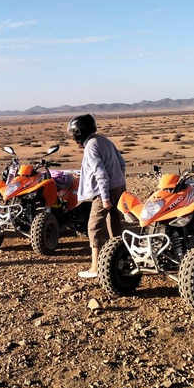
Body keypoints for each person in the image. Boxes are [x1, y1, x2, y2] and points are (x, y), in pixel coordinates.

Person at [68, 114, 126, 279]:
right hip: (118, 187)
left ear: (79, 133)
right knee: (115, 224)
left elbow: (101, 174)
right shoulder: (104, 140)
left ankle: (95, 267)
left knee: (94, 227)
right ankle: (120, 260)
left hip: (104, 192)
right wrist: (118, 179)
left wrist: (105, 197)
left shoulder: (91, 147)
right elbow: (122, 163)